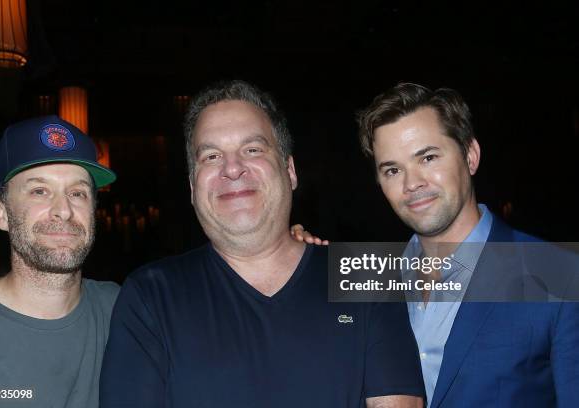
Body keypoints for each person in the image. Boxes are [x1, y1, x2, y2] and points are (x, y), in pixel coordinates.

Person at [99, 80, 425, 408]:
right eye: (211, 156)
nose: (232, 168)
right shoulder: (151, 296)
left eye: (252, 149)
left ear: (290, 170)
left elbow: (464, 269)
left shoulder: (365, 277)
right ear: (192, 186)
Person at [353, 83, 579, 407]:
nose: (411, 183)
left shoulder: (561, 275)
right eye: (392, 169)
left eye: (428, 157)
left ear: (470, 156)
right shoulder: (370, 279)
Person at [0, 116, 119, 407]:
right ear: (1, 213)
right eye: (39, 191)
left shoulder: (124, 311)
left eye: (77, 193)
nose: (63, 211)